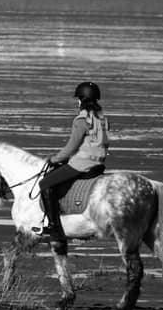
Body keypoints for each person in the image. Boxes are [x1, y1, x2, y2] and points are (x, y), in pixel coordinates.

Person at [32, 81, 109, 243]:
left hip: (83, 165)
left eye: (78, 99)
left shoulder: (81, 120)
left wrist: (55, 159)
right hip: (99, 164)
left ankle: (54, 227)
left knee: (45, 183)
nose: (77, 102)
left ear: (82, 99)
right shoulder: (101, 118)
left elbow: (71, 146)